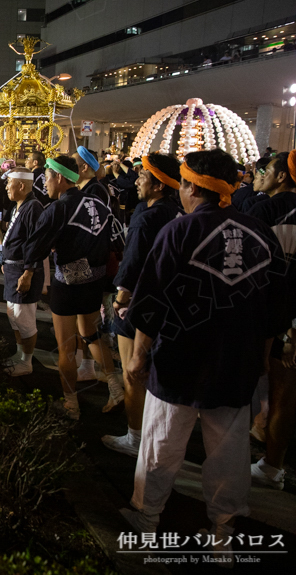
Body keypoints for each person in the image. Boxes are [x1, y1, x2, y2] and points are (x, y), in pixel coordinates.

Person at [119, 150, 288, 559]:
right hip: (238, 363)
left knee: (162, 443)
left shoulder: (179, 232)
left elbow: (151, 300)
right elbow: (277, 308)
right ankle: (223, 534)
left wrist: (139, 357)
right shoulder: (262, 233)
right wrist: (263, 356)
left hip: (180, 359)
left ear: (192, 186)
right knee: (230, 453)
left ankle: (148, 517)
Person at [19, 155, 123, 419]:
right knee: (90, 333)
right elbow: (117, 241)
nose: (46, 184)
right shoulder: (100, 204)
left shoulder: (59, 208)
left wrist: (29, 271)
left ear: (60, 178)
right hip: (94, 280)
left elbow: (35, 246)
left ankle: (71, 404)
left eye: (48, 178)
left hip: (67, 281)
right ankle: (114, 384)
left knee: (65, 347)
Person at [102, 153, 182, 457]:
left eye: (142, 176)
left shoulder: (145, 216)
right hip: (166, 304)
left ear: (159, 185)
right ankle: (151, 434)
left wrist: (120, 299)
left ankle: (135, 437)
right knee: (152, 372)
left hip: (138, 304)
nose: (136, 181)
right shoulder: (175, 213)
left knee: (132, 373)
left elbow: (133, 263)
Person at [245, 151, 296, 489]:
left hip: (259, 314)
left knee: (248, 384)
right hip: (288, 320)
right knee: (284, 393)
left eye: (265, 169)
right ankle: (272, 466)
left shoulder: (264, 210)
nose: (258, 173)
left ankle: (233, 458)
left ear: (281, 177)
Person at [0, 167, 45, 376]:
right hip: (12, 268)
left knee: (23, 318)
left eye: (9, 183)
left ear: (21, 185)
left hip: (22, 271)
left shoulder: (33, 207)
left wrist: (28, 273)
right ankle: (19, 355)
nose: (6, 186)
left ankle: (26, 361)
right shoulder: (20, 206)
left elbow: (36, 244)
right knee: (13, 316)